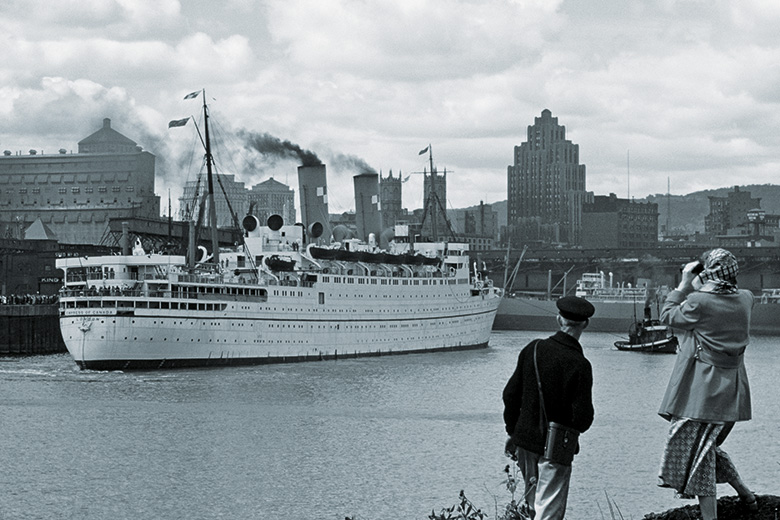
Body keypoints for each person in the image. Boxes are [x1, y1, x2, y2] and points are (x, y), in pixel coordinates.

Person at [657, 248, 758, 520]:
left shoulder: (698, 302)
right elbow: (725, 298)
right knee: (706, 448)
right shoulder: (747, 299)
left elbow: (667, 316)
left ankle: (710, 517)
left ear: (708, 272)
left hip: (702, 392)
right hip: (733, 391)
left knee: (698, 454)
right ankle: (745, 493)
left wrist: (684, 283)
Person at [502, 296, 595, 520]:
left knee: (532, 506)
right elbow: (583, 418)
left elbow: (510, 394)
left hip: (525, 441)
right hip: (557, 447)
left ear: (558, 319)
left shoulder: (533, 349)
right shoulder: (580, 365)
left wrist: (513, 431)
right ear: (585, 324)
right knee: (548, 511)